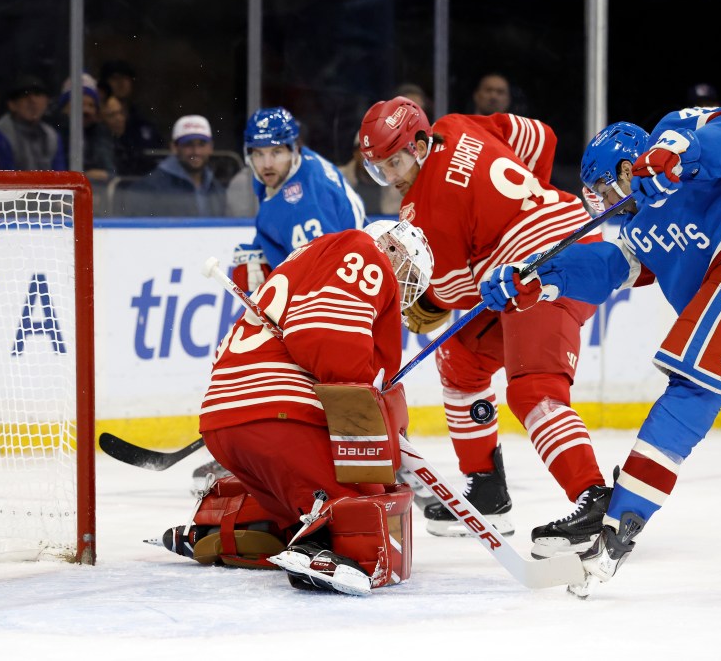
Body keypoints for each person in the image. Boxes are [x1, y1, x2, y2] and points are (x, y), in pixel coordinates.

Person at [481, 109, 721, 592]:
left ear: (626, 169)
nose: (605, 204)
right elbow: (605, 267)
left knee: (689, 393)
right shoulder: (638, 231)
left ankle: (613, 534)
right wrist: (538, 277)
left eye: (603, 191)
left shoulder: (677, 138)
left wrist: (679, 156)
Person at [358, 96, 607, 550]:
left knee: (534, 388)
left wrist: (426, 305)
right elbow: (540, 137)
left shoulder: (423, 211)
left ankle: (595, 501)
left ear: (416, 143)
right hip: (563, 233)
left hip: (547, 267)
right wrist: (525, 207)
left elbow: (459, 292)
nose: (391, 178)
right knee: (460, 359)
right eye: (380, 169)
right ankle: (487, 490)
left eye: (394, 163)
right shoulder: (455, 125)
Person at [193, 219, 433, 595]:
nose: (403, 288)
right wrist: (381, 423)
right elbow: (327, 341)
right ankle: (317, 548)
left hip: (225, 421)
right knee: (358, 514)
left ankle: (224, 526)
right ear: (392, 248)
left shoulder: (315, 256)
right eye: (408, 275)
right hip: (279, 418)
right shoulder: (363, 250)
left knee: (301, 513)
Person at [230, 107, 366, 294]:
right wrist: (258, 250)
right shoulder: (290, 168)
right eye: (259, 154)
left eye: (276, 152)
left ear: (294, 149)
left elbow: (324, 280)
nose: (267, 163)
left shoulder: (306, 205)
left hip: (347, 288)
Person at [123, 114, 226, 217]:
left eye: (202, 144)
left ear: (211, 147)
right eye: (188, 144)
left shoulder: (216, 187)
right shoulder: (149, 187)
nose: (196, 151)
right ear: (174, 148)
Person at [51, 72, 115, 181]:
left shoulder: (101, 134)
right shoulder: (53, 135)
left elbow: (110, 170)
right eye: (80, 104)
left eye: (91, 105)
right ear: (64, 108)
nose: (86, 110)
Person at [0, 74, 66, 171]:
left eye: (38, 94)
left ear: (47, 101)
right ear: (12, 104)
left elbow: (59, 176)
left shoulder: (52, 136)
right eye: (25, 95)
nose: (33, 100)